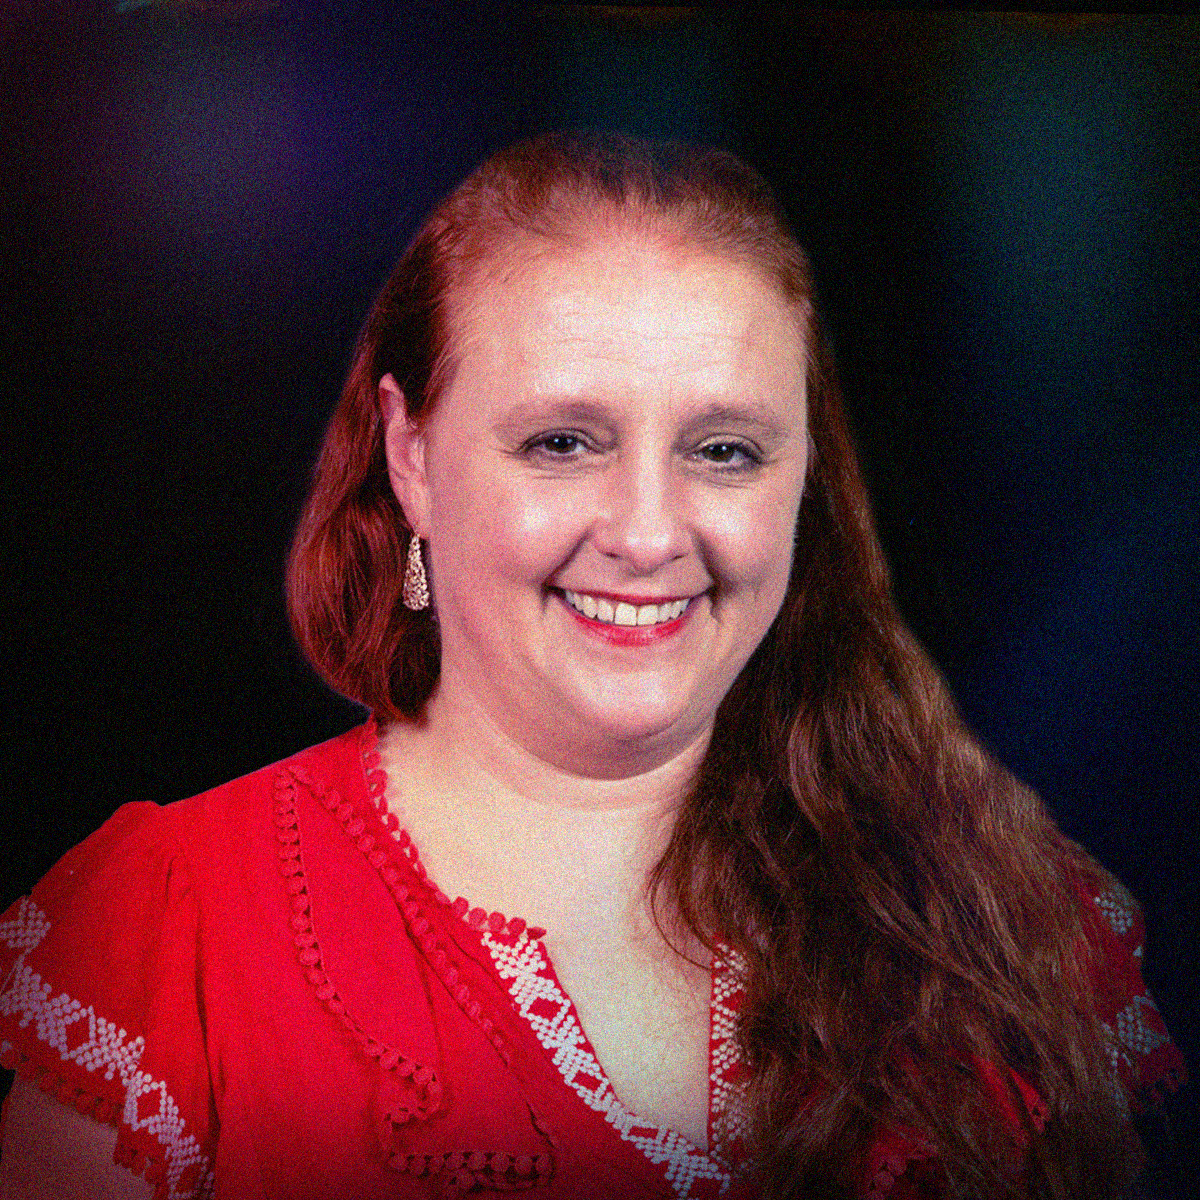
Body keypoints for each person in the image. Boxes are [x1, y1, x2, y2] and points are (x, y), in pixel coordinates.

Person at [0, 132, 1184, 1200]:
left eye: (725, 451)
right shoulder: (187, 927)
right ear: (411, 457)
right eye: (563, 442)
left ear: (806, 479)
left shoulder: (1003, 919)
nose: (650, 532)